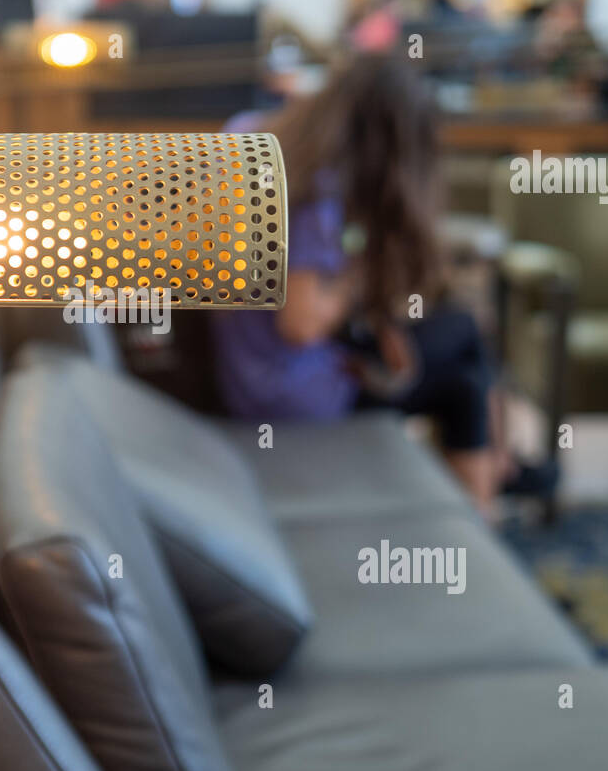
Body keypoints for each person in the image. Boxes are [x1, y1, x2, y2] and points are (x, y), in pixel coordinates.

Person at [213, 55, 504, 510]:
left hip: (242, 369)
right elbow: (302, 324)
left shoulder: (248, 132)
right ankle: (487, 512)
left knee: (461, 360)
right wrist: (356, 275)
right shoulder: (318, 189)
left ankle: (500, 475)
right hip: (292, 397)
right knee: (464, 367)